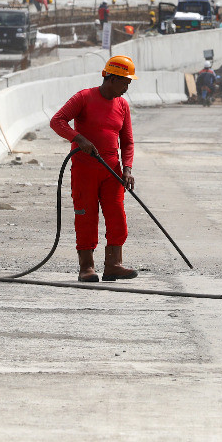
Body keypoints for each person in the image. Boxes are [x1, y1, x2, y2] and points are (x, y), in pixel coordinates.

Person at [49, 55, 138, 283]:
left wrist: (127, 168)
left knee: (117, 217)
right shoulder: (84, 98)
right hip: (85, 170)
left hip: (112, 172)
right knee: (86, 217)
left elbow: (127, 142)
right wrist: (79, 139)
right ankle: (86, 267)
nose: (127, 88)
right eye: (125, 82)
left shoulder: (122, 105)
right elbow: (57, 121)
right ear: (111, 78)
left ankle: (113, 265)